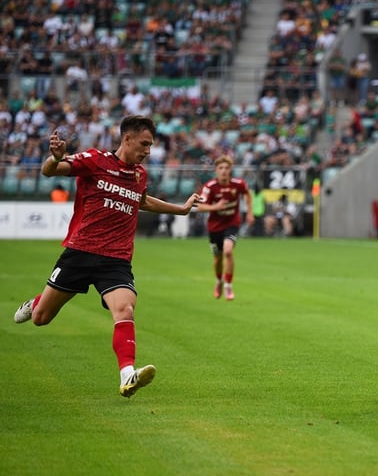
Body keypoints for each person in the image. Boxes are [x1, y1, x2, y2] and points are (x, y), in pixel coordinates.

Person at [13, 116, 202, 398]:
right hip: (80, 252)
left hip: (116, 259)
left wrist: (181, 209)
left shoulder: (139, 174)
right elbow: (49, 171)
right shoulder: (95, 159)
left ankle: (128, 375)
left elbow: (142, 201)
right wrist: (54, 158)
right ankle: (37, 302)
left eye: (150, 145)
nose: (148, 150)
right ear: (127, 138)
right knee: (41, 318)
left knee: (125, 309)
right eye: (144, 144)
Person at [196, 155, 254, 300]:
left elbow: (247, 194)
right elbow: (200, 207)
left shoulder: (238, 184)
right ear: (216, 170)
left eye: (227, 168)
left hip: (232, 224)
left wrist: (250, 213)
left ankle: (228, 285)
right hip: (214, 227)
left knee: (228, 251)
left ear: (230, 170)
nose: (224, 171)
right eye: (221, 168)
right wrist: (215, 206)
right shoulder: (210, 187)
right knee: (217, 259)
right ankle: (219, 281)